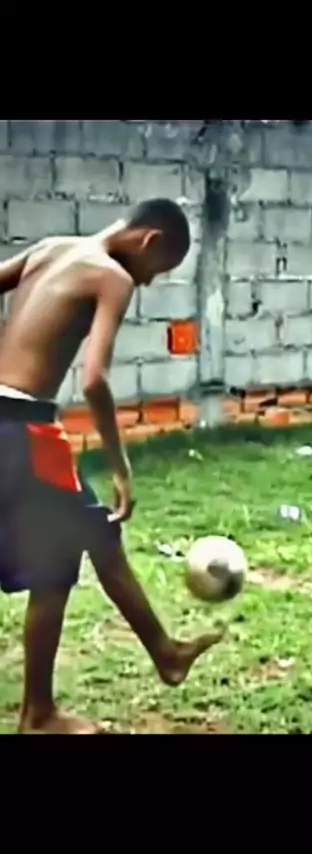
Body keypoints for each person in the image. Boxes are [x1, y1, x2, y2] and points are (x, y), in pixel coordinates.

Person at [0, 198, 223, 735]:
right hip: (24, 429)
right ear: (149, 241)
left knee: (97, 532)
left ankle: (166, 653)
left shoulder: (51, 249)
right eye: (158, 270)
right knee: (56, 564)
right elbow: (95, 380)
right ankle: (39, 714)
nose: (147, 282)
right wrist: (121, 466)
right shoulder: (112, 277)